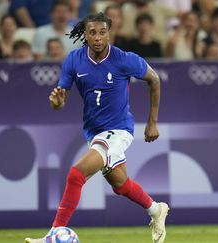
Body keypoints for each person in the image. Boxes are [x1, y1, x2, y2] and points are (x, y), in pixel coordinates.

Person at [25, 12, 169, 243]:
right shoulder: (74, 60)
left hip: (119, 130)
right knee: (120, 184)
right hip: (95, 131)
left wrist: (152, 122)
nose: (98, 37)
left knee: (76, 174)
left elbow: (154, 80)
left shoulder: (124, 59)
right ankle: (155, 209)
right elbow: (61, 101)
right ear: (85, 35)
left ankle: (54, 234)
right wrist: (58, 103)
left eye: (103, 32)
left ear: (109, 33)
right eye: (92, 32)